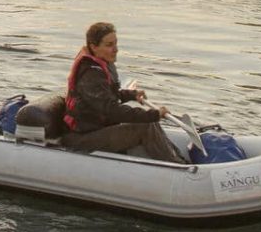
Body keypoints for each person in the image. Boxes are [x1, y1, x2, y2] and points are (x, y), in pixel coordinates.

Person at [61, 21, 188, 163]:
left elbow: (108, 96)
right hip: (83, 137)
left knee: (150, 122)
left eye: (115, 43)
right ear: (94, 47)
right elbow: (112, 109)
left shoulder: (101, 65)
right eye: (109, 45)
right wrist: (154, 114)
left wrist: (132, 95)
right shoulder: (91, 74)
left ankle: (178, 159)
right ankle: (177, 167)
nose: (116, 49)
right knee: (145, 125)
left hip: (97, 129)